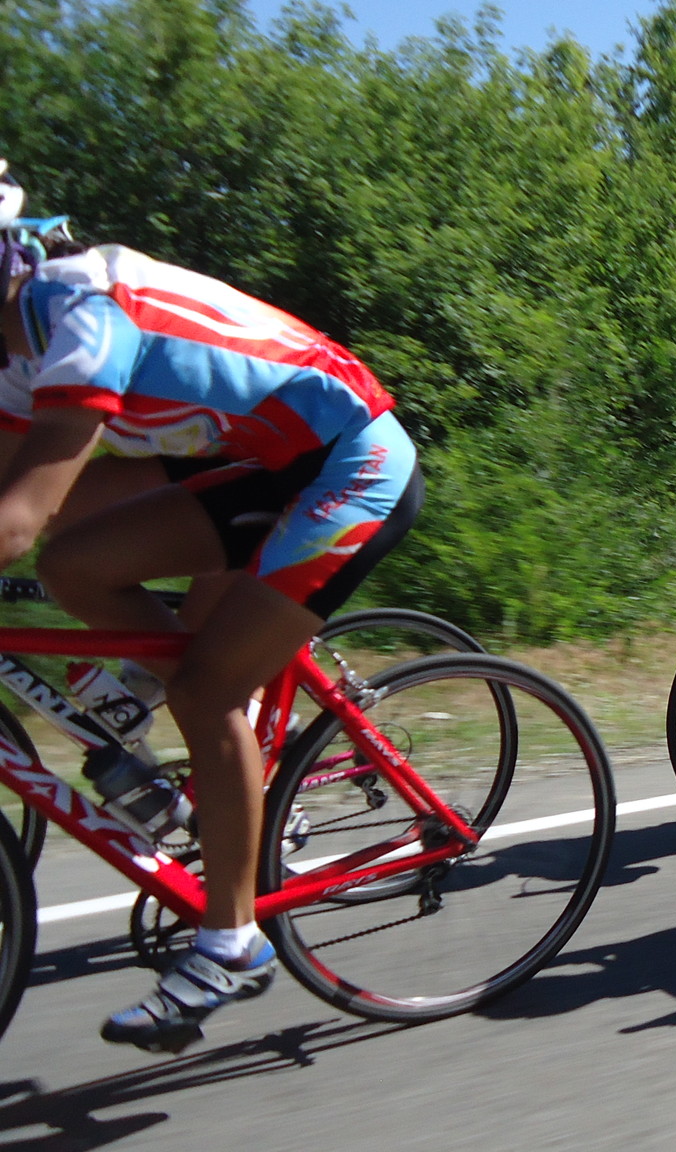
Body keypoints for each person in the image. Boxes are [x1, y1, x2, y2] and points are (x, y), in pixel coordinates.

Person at [0, 162, 421, 1052]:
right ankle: (173, 710)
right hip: (263, 462)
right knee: (74, 564)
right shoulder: (13, 344)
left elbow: (14, 517)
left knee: (206, 691)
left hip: (352, 460)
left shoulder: (80, 310)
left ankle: (232, 942)